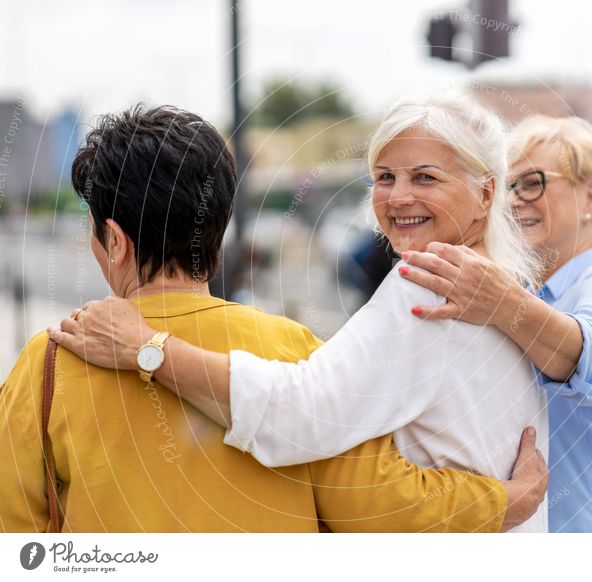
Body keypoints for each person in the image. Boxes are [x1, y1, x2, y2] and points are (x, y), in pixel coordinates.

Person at [0, 105, 546, 533]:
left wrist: (153, 351)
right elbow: (372, 504)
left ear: (113, 241)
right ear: (217, 226)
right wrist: (502, 501)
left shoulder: (49, 362)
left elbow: (15, 529)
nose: (399, 195)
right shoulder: (296, 348)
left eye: (423, 177)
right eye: (386, 176)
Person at [398, 115, 592, 532]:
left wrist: (500, 301)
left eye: (532, 183)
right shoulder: (537, 294)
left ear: (590, 198)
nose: (513, 201)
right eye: (508, 186)